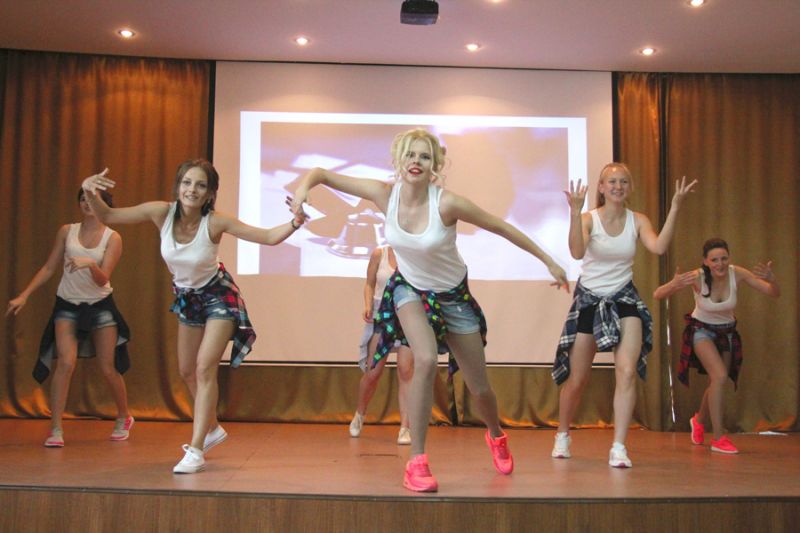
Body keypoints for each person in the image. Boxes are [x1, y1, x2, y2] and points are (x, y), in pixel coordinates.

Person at [291, 128, 569, 492]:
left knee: (479, 388)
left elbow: (500, 227)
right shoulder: (384, 194)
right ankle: (417, 462)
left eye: (424, 156)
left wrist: (550, 262)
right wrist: (302, 191)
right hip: (409, 290)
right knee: (423, 359)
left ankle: (496, 435)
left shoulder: (447, 204)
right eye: (410, 155)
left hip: (453, 298)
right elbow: (320, 174)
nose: (416, 162)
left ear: (435, 164)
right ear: (399, 160)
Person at [81, 159, 306, 474]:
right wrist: (89, 190)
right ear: (178, 186)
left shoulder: (215, 222)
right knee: (186, 370)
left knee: (203, 368)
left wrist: (295, 222)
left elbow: (267, 237)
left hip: (219, 296)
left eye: (201, 185)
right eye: (187, 183)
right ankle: (212, 428)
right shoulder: (161, 213)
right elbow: (107, 216)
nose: (192, 190)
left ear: (210, 193)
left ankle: (196, 449)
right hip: (188, 299)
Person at [552, 163, 697, 468]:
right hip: (590, 300)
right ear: (601, 188)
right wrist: (575, 212)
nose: (618, 187)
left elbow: (658, 247)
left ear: (629, 188)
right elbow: (577, 253)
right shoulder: (589, 219)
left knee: (627, 371)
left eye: (623, 182)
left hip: (624, 298)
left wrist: (675, 206)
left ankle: (618, 447)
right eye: (612, 182)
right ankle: (562, 434)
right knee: (577, 378)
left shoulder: (638, 220)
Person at [7, 188, 133, 447]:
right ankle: (56, 429)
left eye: (93, 200)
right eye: (83, 199)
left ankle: (124, 416)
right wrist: (24, 295)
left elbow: (103, 279)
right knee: (65, 362)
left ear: (104, 205)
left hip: (100, 306)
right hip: (67, 304)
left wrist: (90, 263)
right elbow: (49, 267)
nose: (87, 203)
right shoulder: (67, 231)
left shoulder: (113, 237)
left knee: (107, 366)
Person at [653, 238, 779, 454]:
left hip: (726, 332)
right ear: (705, 261)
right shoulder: (697, 276)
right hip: (701, 331)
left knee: (717, 381)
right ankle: (719, 438)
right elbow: (658, 294)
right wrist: (673, 284)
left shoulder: (737, 273)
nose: (720, 264)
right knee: (719, 376)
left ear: (729, 258)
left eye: (724, 258)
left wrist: (772, 280)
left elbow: (773, 292)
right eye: (714, 260)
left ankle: (699, 420)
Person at [350, 245, 414, 445]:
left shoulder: (415, 253)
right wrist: (368, 305)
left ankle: (405, 427)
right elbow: (369, 284)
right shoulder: (380, 253)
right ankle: (360, 413)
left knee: (406, 370)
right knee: (373, 372)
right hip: (382, 316)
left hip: (407, 316)